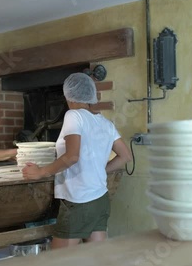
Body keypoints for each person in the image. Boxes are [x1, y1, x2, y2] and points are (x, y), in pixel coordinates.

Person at [22, 73, 132, 249]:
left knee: (60, 261)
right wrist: (99, 170)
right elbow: (126, 156)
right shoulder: (105, 123)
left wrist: (40, 171)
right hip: (100, 199)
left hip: (79, 200)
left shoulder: (73, 116)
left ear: (68, 95)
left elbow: (72, 156)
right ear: (90, 96)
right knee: (96, 259)